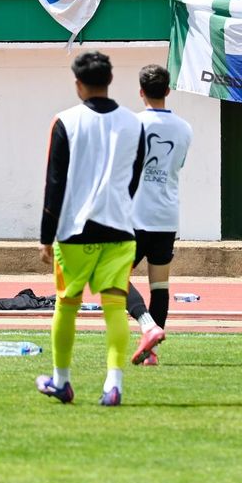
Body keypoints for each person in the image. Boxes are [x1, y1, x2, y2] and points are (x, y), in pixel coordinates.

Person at [34, 50, 141, 408]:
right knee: (115, 308)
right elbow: (134, 177)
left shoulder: (65, 121)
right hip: (120, 228)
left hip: (75, 231)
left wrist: (45, 236)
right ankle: (114, 385)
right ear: (109, 81)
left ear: (78, 84)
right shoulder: (133, 123)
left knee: (66, 306)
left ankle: (62, 381)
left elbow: (54, 181)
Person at [120, 65, 191, 367]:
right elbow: (178, 166)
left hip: (135, 216)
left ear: (140, 91)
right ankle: (150, 352)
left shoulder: (132, 124)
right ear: (167, 91)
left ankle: (147, 325)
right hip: (166, 216)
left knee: (111, 276)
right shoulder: (184, 128)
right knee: (159, 285)